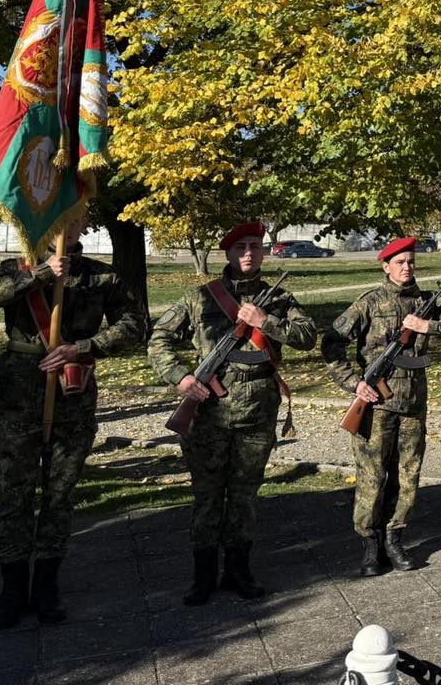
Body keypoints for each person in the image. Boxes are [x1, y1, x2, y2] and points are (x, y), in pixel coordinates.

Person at [0, 218, 146, 629]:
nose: (67, 224)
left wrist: (83, 346)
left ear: (84, 222)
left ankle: (46, 585)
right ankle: (12, 590)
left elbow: (134, 325)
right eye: (58, 216)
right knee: (14, 496)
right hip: (17, 398)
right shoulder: (16, 268)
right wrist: (41, 274)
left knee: (59, 496)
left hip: (71, 395)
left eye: (75, 216)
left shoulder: (101, 275)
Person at [149, 221, 317, 604]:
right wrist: (180, 377)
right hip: (208, 414)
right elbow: (159, 339)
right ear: (227, 252)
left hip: (257, 414)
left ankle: (239, 572)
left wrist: (264, 322)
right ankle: (203, 576)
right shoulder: (200, 298)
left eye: (255, 246)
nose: (248, 253)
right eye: (240, 247)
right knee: (208, 496)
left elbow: (308, 337)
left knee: (244, 496)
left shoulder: (279, 298)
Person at [322, 236, 441, 574]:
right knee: (372, 477)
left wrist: (427, 325)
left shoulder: (427, 301)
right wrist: (354, 383)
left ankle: (395, 537)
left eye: (411, 261)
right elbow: (332, 342)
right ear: (385, 266)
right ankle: (370, 543)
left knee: (407, 476)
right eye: (400, 262)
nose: (407, 267)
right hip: (376, 406)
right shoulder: (369, 302)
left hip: (413, 405)